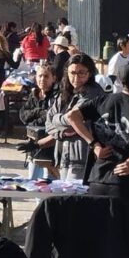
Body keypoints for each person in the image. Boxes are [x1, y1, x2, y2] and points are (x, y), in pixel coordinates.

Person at [66, 61, 129, 258]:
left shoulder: (103, 101)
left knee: (96, 242)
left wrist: (93, 144)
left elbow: (72, 116)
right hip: (125, 184)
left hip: (97, 182)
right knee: (126, 245)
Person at [46, 53, 106, 181]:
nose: (76, 77)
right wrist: (62, 133)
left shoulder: (93, 93)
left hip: (83, 156)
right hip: (64, 155)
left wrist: (59, 120)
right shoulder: (65, 92)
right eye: (72, 73)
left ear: (89, 73)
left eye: (81, 73)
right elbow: (49, 120)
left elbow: (71, 119)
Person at [19, 63, 58, 179]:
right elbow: (23, 116)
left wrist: (34, 122)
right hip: (34, 146)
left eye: (46, 76)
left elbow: (50, 118)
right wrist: (37, 112)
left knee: (49, 184)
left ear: (53, 78)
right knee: (33, 180)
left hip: (51, 146)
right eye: (40, 76)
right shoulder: (35, 94)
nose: (42, 79)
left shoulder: (57, 97)